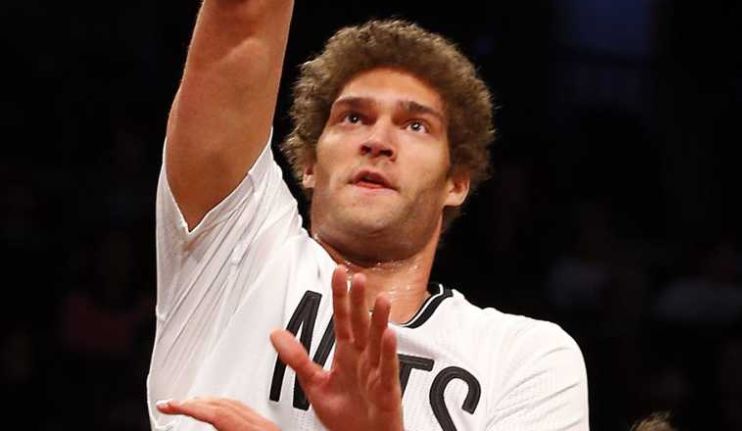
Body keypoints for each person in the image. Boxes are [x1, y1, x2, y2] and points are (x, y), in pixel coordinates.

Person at [147, 1, 589, 430]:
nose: (377, 140)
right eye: (353, 117)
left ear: (456, 182)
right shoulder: (237, 252)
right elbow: (242, 15)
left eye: (416, 125)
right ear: (308, 165)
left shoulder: (527, 360)